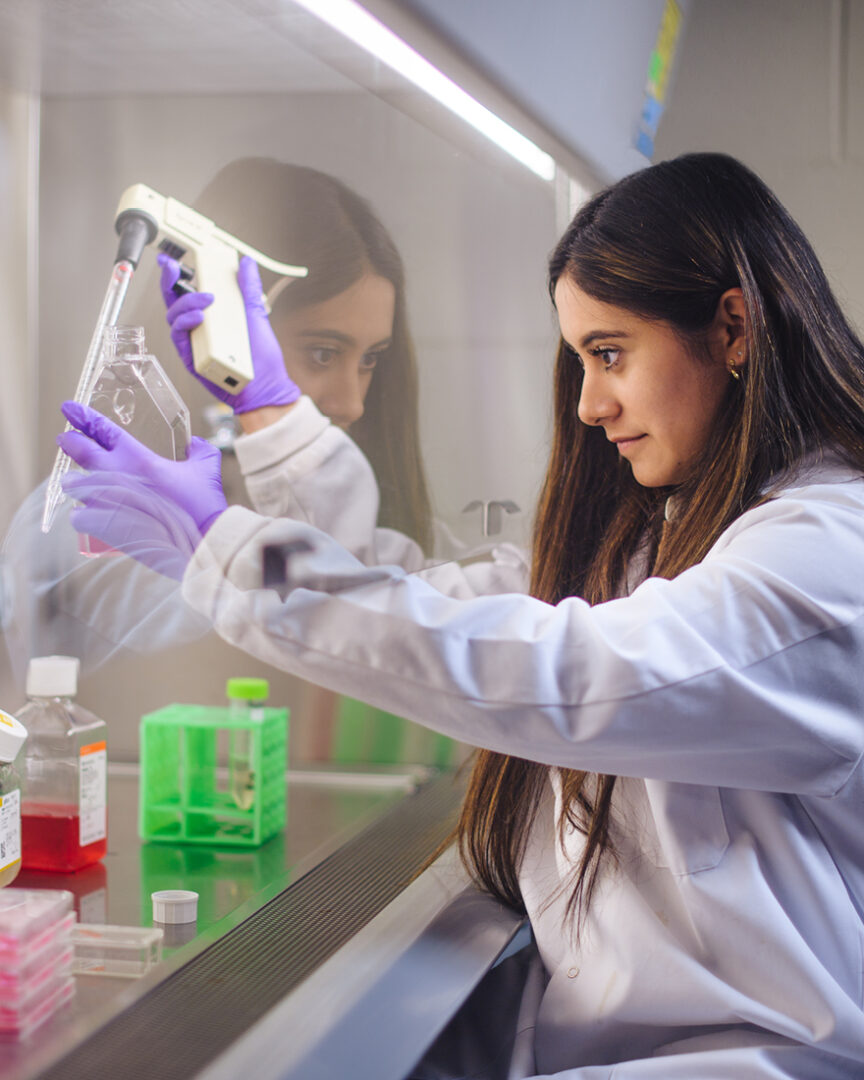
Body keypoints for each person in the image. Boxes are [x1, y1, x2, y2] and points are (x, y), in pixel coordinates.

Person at [59, 151, 864, 1078]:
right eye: (580, 361)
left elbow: (573, 674)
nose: (593, 404)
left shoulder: (828, 549)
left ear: (732, 326)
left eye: (609, 354)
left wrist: (225, 547)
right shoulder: (669, 540)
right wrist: (273, 421)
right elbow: (414, 604)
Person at [159, 156, 433, 555]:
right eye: (322, 354)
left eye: (370, 360)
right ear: (215, 331)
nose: (353, 405)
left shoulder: (395, 546)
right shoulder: (96, 528)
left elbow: (353, 599)